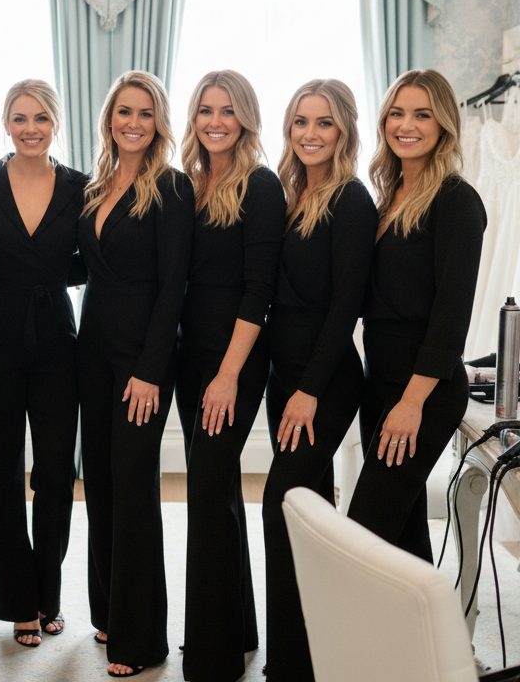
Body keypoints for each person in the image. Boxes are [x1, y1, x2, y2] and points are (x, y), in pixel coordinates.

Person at [77, 70, 194, 678]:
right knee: (99, 487)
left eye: (145, 113)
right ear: (109, 118)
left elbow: (174, 285)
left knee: (133, 490)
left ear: (158, 122)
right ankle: (107, 612)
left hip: (142, 361)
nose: (132, 122)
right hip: (91, 353)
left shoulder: (172, 188)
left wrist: (151, 370)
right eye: (123, 111)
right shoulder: (96, 187)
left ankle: (141, 639)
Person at [260, 79, 377, 682]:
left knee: (282, 502)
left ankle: (293, 663)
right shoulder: (290, 192)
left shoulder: (352, 200)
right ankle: (311, 647)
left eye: (323, 123)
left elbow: (345, 306)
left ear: (344, 131)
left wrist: (307, 389)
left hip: (323, 382)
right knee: (311, 511)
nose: (310, 134)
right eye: (300, 122)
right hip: (287, 378)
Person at [347, 69, 486, 563]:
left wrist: (411, 403)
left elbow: (451, 317)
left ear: (443, 123)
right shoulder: (388, 198)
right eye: (397, 113)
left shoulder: (456, 201)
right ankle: (432, 641)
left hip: (422, 391)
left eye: (422, 114)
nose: (407, 125)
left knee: (363, 536)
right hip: (379, 380)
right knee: (400, 534)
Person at [0, 79, 86, 647]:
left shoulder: (81, 187)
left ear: (55, 122)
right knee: (1, 473)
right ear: (6, 123)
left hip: (59, 341)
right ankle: (18, 602)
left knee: (57, 473)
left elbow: (98, 259)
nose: (30, 128)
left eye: (40, 117)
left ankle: (50, 595)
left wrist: (48, 278)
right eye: (19, 118)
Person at [174, 70, 285, 682]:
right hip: (192, 358)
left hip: (233, 362)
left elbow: (259, 290)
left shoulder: (260, 185)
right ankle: (238, 627)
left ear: (245, 117)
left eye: (228, 110)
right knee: (215, 492)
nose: (216, 120)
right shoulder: (188, 184)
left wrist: (228, 376)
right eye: (205, 110)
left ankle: (212, 654)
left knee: (208, 491)